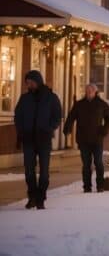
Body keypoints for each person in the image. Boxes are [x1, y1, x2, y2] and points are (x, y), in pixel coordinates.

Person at [14, 70, 62, 210]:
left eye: (31, 82)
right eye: (27, 83)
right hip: (28, 139)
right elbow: (18, 116)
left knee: (44, 171)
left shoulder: (51, 97)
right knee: (29, 170)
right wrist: (21, 131)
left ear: (38, 81)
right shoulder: (24, 99)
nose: (29, 85)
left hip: (44, 139)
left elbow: (57, 115)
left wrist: (49, 128)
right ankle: (32, 197)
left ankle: (41, 198)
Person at [63, 84, 109, 193]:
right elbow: (71, 117)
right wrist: (67, 128)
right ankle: (87, 186)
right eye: (87, 90)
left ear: (95, 92)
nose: (89, 92)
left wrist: (105, 129)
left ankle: (100, 185)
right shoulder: (79, 104)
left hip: (97, 139)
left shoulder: (101, 104)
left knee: (98, 162)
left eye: (91, 90)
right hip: (83, 139)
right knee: (86, 164)